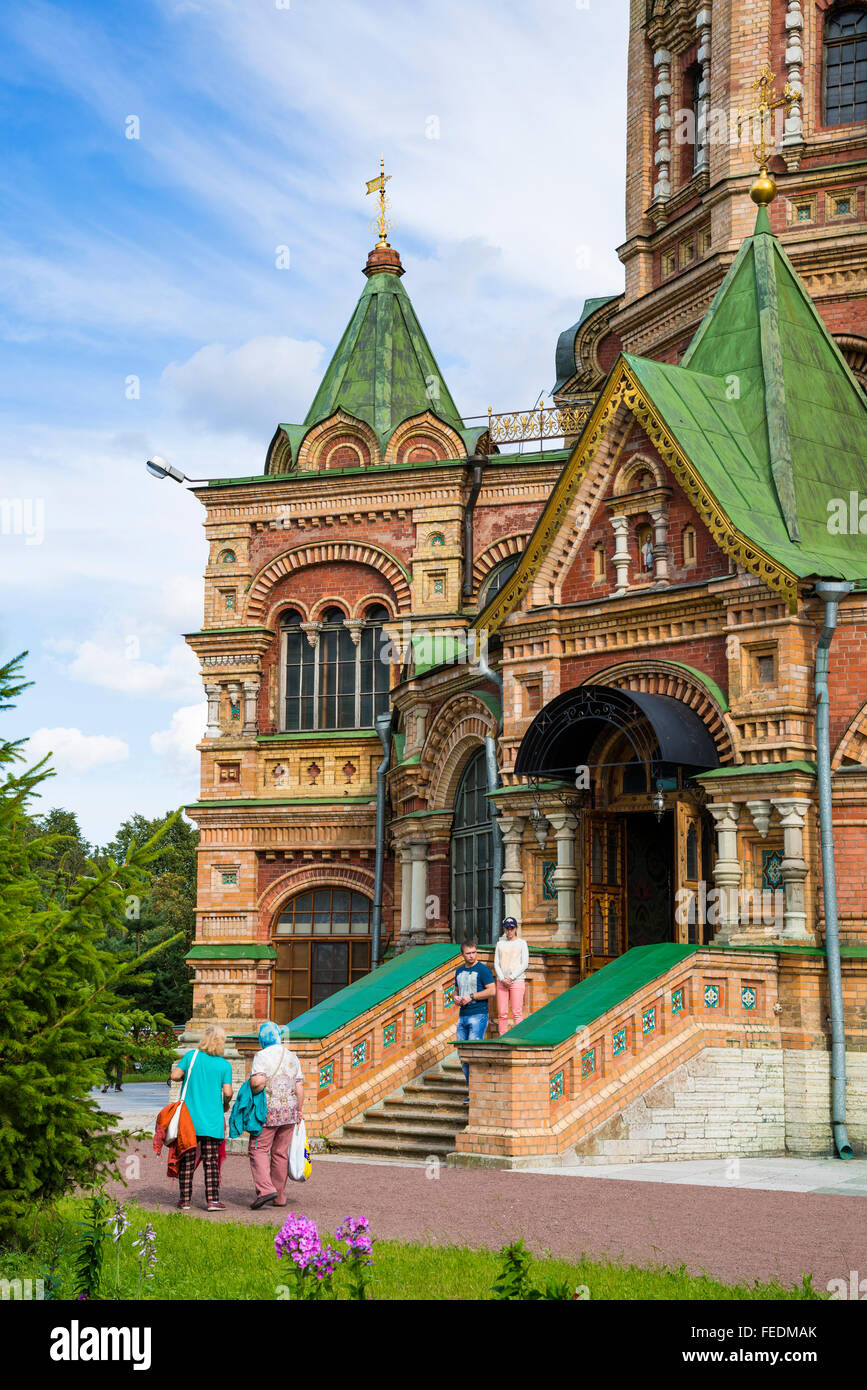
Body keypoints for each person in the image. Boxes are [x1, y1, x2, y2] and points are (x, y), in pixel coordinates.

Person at [169, 1024, 233, 1213]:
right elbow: (228, 1092)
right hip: (212, 1120)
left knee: (187, 1159)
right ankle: (212, 1201)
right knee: (211, 1161)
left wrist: (188, 1075)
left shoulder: (191, 1057)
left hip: (189, 1119)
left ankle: (185, 1200)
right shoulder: (224, 1065)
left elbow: (175, 1076)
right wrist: (225, 1103)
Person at [247, 1021, 304, 1210]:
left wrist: (251, 1087)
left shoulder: (261, 1056)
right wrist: (299, 1111)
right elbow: (299, 1086)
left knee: (258, 1149)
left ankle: (265, 1190)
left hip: (268, 1112)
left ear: (262, 1038)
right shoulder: (292, 1056)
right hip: (290, 1112)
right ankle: (279, 1196)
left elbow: (258, 1082)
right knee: (280, 1153)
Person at [453, 939, 496, 1096]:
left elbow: (492, 991)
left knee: (474, 1054)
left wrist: (472, 996)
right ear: (462, 954)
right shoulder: (458, 971)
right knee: (463, 1057)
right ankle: (473, 1092)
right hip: (462, 1016)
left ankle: (477, 1093)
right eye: (468, 953)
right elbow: (455, 991)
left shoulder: (483, 970)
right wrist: (456, 998)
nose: (471, 956)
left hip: (478, 1015)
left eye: (474, 952)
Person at [493, 917, 529, 1035]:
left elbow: (524, 963)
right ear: (504, 929)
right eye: (507, 928)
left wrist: (511, 977)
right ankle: (502, 1036)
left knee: (516, 1012)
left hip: (517, 980)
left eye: (511, 928)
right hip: (501, 981)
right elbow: (496, 963)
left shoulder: (522, 943)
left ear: (516, 928)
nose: (509, 931)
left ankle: (518, 1037)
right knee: (502, 1013)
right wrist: (502, 978)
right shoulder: (500, 944)